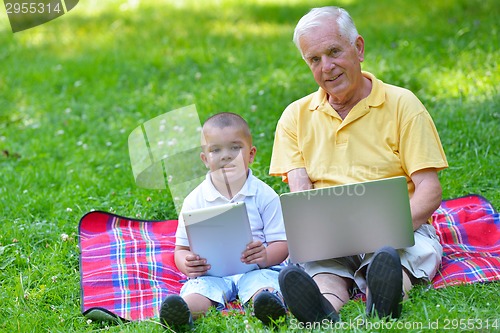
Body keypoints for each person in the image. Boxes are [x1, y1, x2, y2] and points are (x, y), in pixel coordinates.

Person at [269, 6, 448, 323]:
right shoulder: (294, 117)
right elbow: (301, 194)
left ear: (359, 48)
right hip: (331, 234)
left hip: (397, 228)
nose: (327, 67)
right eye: (314, 59)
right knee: (321, 266)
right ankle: (324, 309)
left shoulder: (402, 104)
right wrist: (316, 236)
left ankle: (386, 299)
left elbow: (429, 190)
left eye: (334, 51)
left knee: (397, 258)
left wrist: (389, 230)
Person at [160, 112, 288, 329]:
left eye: (235, 148)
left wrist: (265, 256)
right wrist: (187, 263)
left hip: (257, 269)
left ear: (251, 154)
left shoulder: (265, 196)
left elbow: (283, 244)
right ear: (205, 159)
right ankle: (183, 312)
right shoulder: (195, 200)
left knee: (265, 287)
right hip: (212, 272)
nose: (225, 156)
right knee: (199, 291)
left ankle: (268, 308)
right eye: (215, 150)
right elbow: (180, 248)